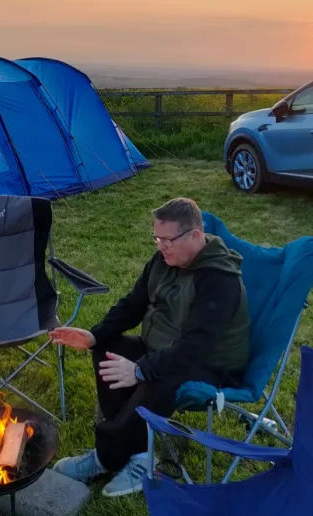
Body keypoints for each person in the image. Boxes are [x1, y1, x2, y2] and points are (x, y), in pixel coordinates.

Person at [49, 197, 250, 497]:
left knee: (158, 376)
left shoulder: (220, 279)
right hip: (163, 348)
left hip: (211, 365)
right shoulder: (163, 261)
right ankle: (139, 452)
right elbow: (132, 305)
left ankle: (108, 456)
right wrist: (95, 336)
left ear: (195, 235)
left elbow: (196, 346)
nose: (161, 246)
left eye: (168, 239)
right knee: (109, 350)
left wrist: (142, 369)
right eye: (157, 238)